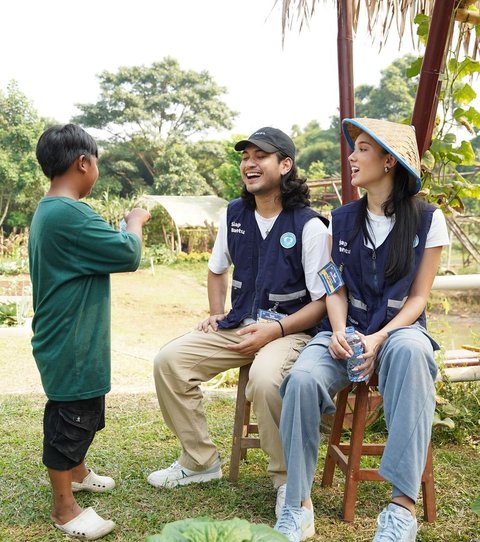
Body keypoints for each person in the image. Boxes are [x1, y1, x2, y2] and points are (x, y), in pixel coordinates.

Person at [274, 118, 450, 542]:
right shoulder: (342, 218)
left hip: (398, 332)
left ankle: (400, 511)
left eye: (363, 149)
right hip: (345, 329)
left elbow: (418, 299)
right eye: (354, 148)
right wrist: (337, 331)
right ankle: (297, 506)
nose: (351, 157)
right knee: (301, 378)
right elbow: (334, 285)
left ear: (390, 161)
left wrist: (378, 338)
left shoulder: (428, 220)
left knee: (412, 353)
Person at [148, 127, 330, 516]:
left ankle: (286, 483)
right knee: (170, 362)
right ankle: (200, 462)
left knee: (266, 380)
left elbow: (322, 304)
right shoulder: (234, 214)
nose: (249, 163)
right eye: (245, 156)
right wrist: (216, 313)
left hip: (291, 330)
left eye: (259, 156)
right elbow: (217, 270)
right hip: (240, 324)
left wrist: (277, 330)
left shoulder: (310, 225)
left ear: (284, 165)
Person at [29, 124, 151, 540]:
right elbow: (128, 253)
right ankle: (65, 509)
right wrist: (134, 221)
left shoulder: (51, 210)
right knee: (70, 419)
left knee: (85, 410)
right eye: (95, 162)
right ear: (83, 162)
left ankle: (78, 473)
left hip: (69, 337)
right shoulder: (72, 213)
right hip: (72, 342)